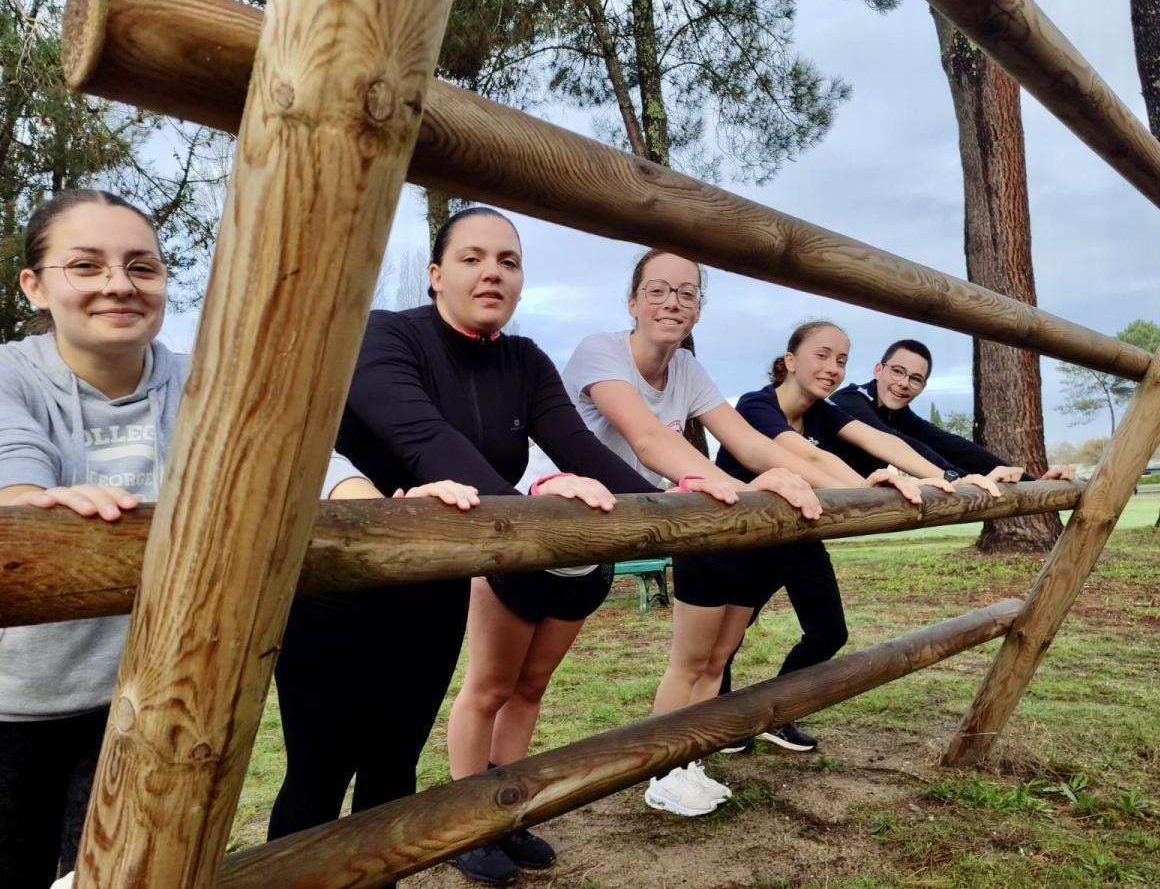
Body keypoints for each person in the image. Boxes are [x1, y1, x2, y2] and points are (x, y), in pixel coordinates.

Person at [0, 190, 421, 889]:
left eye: (142, 266)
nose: (118, 284)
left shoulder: (201, 380)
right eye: (86, 265)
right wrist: (37, 507)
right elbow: (14, 473)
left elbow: (296, 454)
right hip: (14, 699)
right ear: (36, 286)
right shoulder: (10, 375)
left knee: (125, 875)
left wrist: (380, 513)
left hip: (143, 697)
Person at [269, 207, 690, 888]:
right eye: (471, 257)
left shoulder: (524, 361)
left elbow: (580, 445)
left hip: (436, 587)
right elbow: (428, 441)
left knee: (395, 767)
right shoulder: (384, 337)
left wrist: (683, 506)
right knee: (318, 774)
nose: (491, 270)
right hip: (339, 595)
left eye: (508, 260)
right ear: (436, 275)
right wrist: (530, 514)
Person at [562, 250, 863, 818]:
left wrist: (785, 476)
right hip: (551, 513)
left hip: (624, 519)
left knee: (716, 659)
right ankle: (659, 766)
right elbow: (649, 440)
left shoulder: (689, 370)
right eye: (657, 290)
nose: (673, 302)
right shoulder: (600, 352)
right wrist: (745, 485)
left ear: (699, 309)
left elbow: (749, 441)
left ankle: (686, 760)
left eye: (687, 293)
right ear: (632, 301)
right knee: (688, 660)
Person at [715, 322, 999, 755]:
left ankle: (776, 709)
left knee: (828, 632)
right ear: (790, 361)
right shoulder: (756, 405)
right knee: (724, 642)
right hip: (744, 540)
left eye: (842, 360)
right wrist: (863, 490)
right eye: (822, 355)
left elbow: (880, 440)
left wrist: (951, 478)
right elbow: (807, 453)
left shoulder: (823, 411)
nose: (832, 368)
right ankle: (722, 720)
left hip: (800, 534)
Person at [829, 339, 1075, 482]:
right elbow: (894, 443)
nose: (904, 383)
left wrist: (1031, 482)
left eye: (915, 378)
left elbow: (954, 446)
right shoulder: (849, 400)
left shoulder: (898, 415)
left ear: (923, 387)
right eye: (897, 371)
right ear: (878, 370)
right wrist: (957, 478)